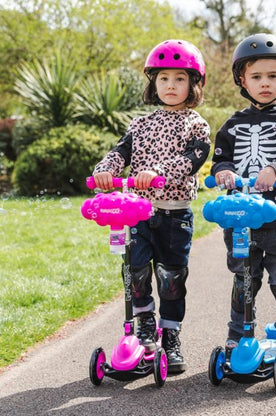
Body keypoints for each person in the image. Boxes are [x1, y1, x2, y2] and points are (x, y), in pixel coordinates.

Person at [92, 39, 211, 373]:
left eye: (179, 79)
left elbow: (193, 158)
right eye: (163, 79)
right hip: (138, 213)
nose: (170, 85)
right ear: (153, 83)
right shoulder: (140, 125)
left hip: (174, 214)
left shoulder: (196, 124)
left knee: (171, 278)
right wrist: (105, 170)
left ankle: (170, 337)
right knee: (136, 270)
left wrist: (159, 171)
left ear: (193, 84)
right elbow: (120, 152)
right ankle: (145, 323)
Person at [211, 33, 276, 379]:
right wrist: (223, 172)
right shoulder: (232, 124)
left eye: (272, 75)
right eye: (256, 76)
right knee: (243, 281)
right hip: (239, 219)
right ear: (242, 80)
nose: (265, 83)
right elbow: (220, 161)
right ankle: (238, 337)